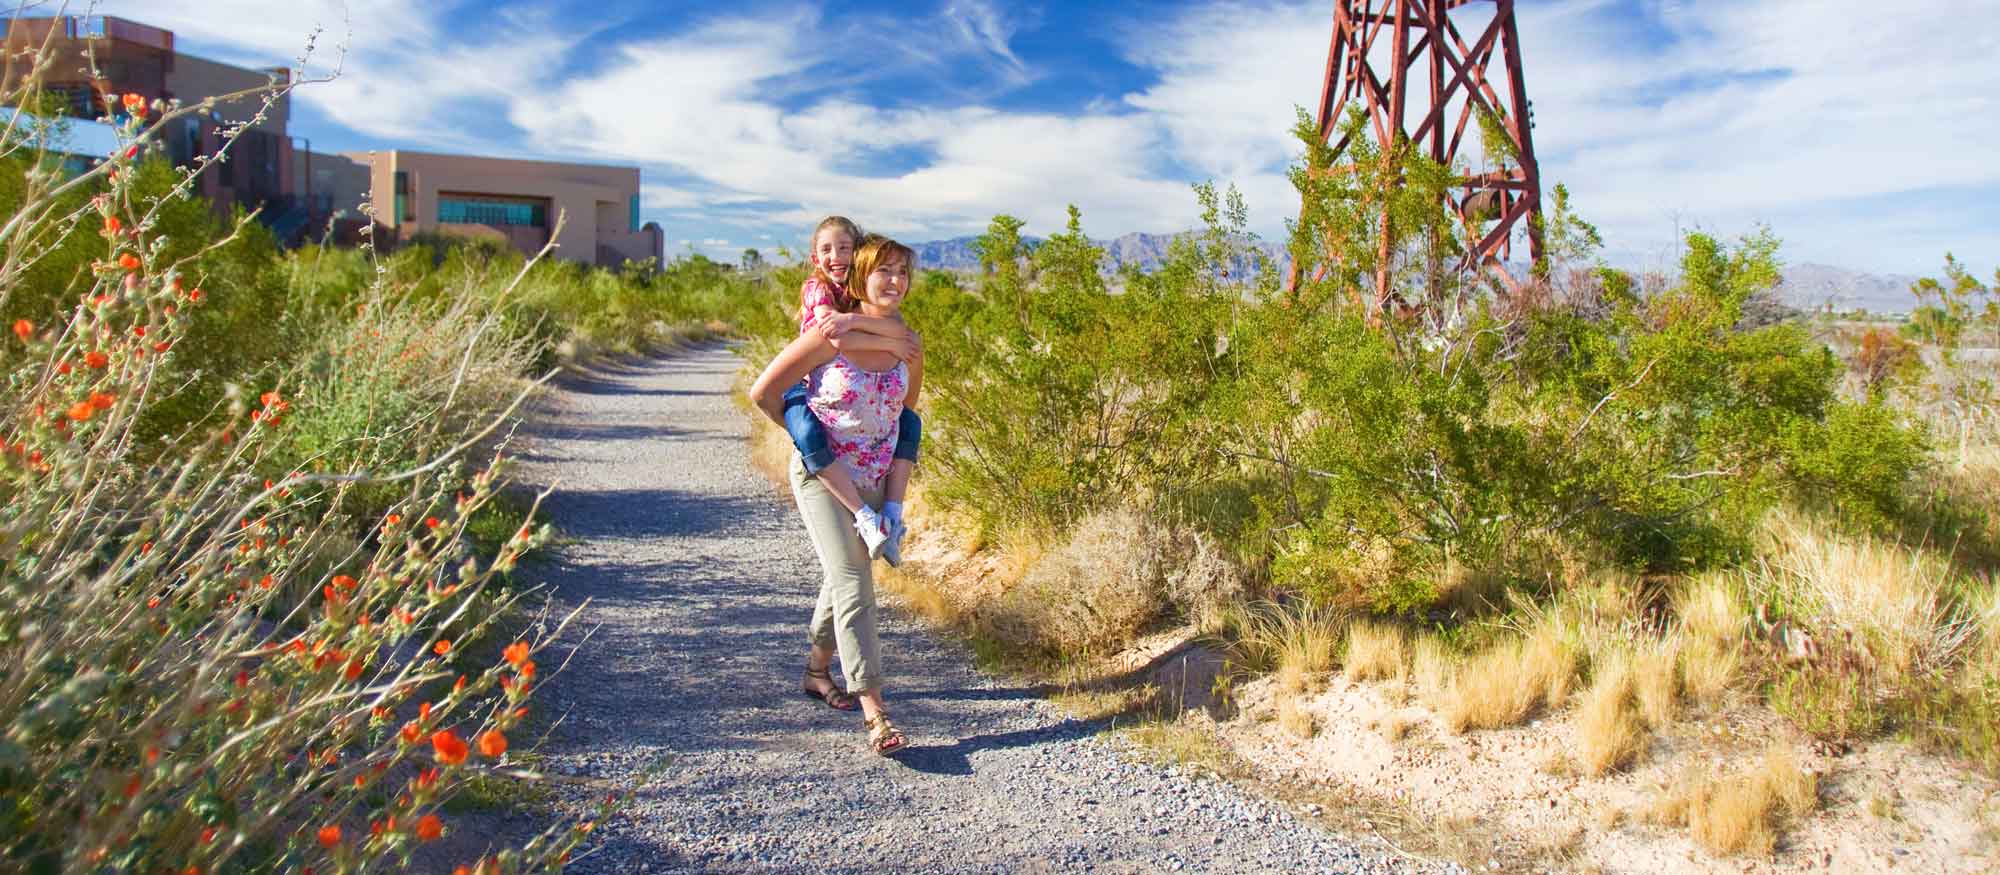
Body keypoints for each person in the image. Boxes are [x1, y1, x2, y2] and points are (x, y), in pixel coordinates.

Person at [750, 234, 921, 755]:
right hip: (824, 479)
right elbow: (763, 393)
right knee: (852, 580)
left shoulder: (909, 345)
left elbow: (904, 423)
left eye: (902, 272)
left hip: (873, 476)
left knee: (845, 573)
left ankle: (816, 670)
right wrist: (809, 444)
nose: (894, 281)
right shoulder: (829, 336)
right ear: (862, 275)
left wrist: (893, 501)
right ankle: (875, 710)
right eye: (883, 271)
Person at [782, 216, 923, 564]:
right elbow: (835, 335)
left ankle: (892, 514)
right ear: (815, 258)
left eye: (845, 247)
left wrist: (880, 335)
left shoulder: (857, 300)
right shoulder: (820, 290)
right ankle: (865, 514)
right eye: (827, 249)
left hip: (869, 462)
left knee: (910, 423)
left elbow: (900, 334)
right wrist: (866, 330)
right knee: (809, 435)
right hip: (802, 390)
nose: (836, 256)